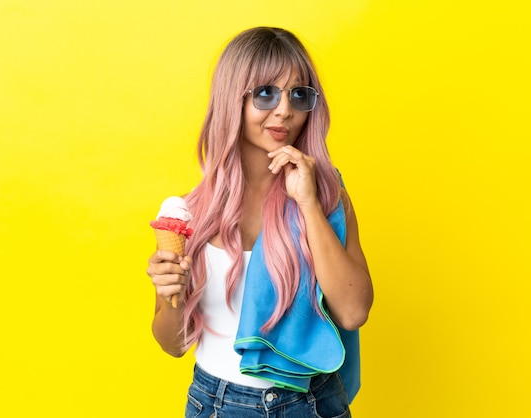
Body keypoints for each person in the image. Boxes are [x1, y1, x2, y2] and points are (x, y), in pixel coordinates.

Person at [147, 26, 373, 418]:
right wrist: (174, 298)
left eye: (299, 94)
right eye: (266, 92)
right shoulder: (189, 214)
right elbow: (173, 345)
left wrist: (307, 203)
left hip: (312, 403)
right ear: (232, 98)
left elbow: (354, 312)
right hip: (215, 404)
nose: (285, 109)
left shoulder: (326, 193)